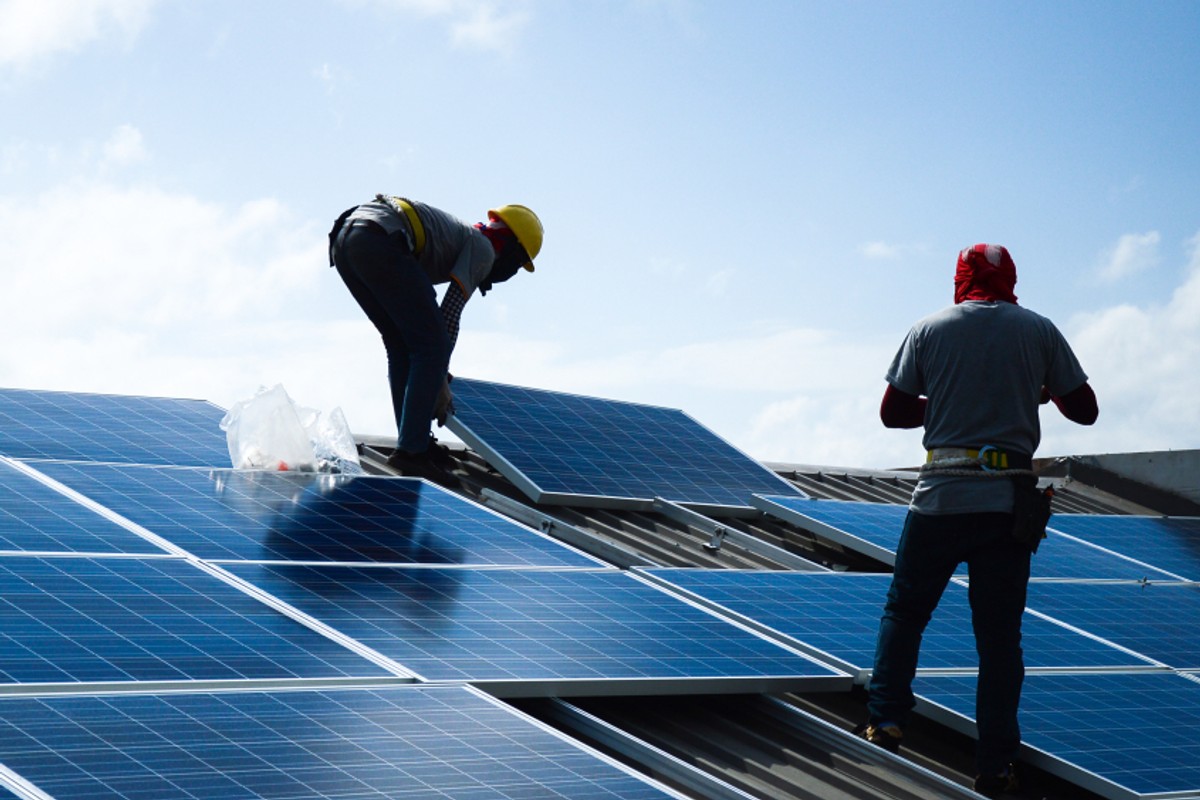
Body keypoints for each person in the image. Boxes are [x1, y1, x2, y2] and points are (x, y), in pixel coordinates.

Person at [857, 243, 1098, 797]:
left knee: (906, 611)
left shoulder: (929, 329)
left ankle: (887, 718)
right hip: (1005, 504)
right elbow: (1085, 410)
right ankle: (994, 763)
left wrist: (946, 399)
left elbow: (894, 413)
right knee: (998, 639)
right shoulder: (1038, 330)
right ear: (1011, 279)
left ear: (961, 279)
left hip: (939, 498)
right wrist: (1029, 393)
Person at [328, 195, 543, 481]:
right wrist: (439, 375)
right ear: (512, 250)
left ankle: (413, 442)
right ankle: (412, 451)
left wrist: (436, 368)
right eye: (518, 265)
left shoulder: (460, 239)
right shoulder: (484, 248)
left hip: (347, 240)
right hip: (379, 237)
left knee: (402, 345)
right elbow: (449, 315)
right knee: (430, 346)